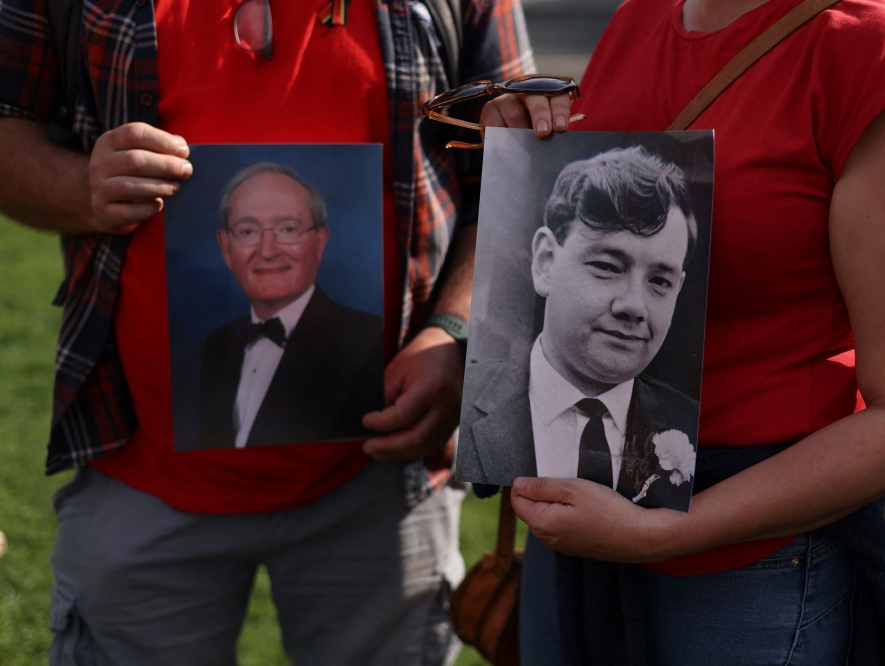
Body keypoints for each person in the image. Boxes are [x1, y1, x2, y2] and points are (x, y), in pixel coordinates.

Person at [0, 0, 534, 663]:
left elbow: (515, 171)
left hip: (378, 484)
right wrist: (82, 187)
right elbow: (7, 124)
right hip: (138, 470)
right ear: (226, 246)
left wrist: (454, 334)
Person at [473, 0, 885, 662]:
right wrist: (529, 149)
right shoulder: (644, 16)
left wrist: (659, 535)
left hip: (750, 573)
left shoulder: (877, 57)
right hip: (580, 545)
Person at [457, 146, 699, 510]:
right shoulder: (470, 403)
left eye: (660, 282)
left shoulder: (691, 423)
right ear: (546, 262)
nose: (634, 305)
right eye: (607, 266)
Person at [198, 162, 383, 449]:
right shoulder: (217, 346)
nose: (268, 251)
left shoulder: (370, 341)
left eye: (288, 229)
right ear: (226, 247)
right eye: (248, 232)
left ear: (319, 241)